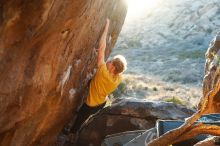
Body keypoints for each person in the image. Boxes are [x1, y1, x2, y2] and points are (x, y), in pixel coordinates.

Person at [68, 19, 127, 142]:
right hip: (101, 103)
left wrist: (106, 27)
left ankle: (71, 137)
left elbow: (102, 47)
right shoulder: (117, 78)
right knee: (90, 121)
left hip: (90, 104)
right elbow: (118, 69)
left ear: (113, 68)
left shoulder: (103, 72)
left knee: (78, 122)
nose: (109, 61)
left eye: (111, 62)